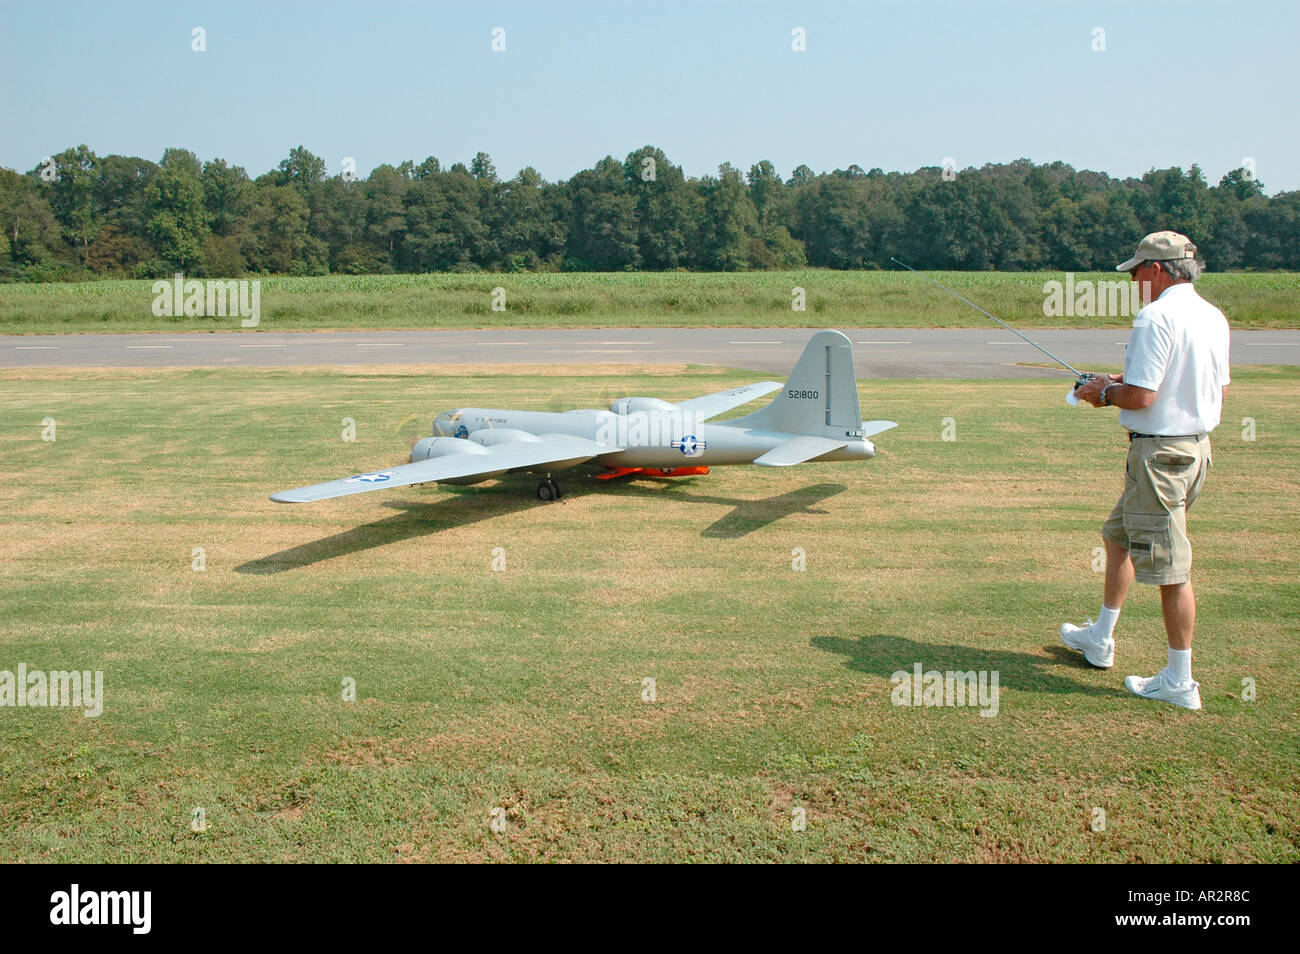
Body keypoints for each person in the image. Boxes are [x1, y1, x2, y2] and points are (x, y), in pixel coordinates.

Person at [1062, 231, 1231, 710]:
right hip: (1194, 451)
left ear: (1158, 269)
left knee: (1171, 569)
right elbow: (1207, 386)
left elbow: (1143, 397)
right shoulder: (1212, 316)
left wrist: (1102, 393)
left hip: (1159, 459)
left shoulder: (1155, 316)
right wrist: (1115, 380)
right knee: (1118, 537)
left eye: (1138, 270)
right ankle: (1100, 637)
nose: (1135, 280)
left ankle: (1180, 682)